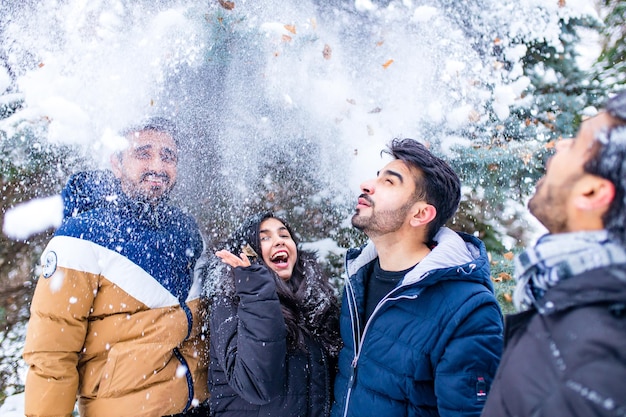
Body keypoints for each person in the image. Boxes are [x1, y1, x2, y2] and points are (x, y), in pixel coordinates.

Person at [22, 117, 209, 417]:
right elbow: (52, 358)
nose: (158, 166)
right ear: (116, 163)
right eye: (143, 153)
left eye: (168, 156)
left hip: (199, 406)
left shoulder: (187, 232)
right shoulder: (81, 237)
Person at [331, 138, 504, 417]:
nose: (366, 185)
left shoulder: (467, 311)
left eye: (390, 182)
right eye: (378, 177)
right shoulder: (358, 281)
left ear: (421, 214)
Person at [481, 92, 626, 416]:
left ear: (591, 192)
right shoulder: (573, 311)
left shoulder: (589, 370)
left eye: (575, 143)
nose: (559, 145)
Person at [204, 212, 341, 417]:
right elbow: (256, 385)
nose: (278, 242)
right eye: (265, 238)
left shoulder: (314, 303)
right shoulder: (230, 301)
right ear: (248, 253)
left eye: (284, 236)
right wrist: (255, 290)